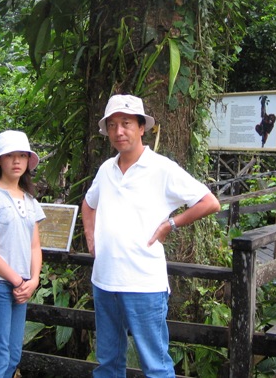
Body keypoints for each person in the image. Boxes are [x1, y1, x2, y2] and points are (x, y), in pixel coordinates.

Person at [82, 94, 221, 377]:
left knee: (155, 366)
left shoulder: (161, 168)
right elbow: (88, 203)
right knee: (107, 363)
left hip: (144, 283)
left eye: (126, 123)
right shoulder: (106, 169)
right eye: (112, 125)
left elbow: (209, 202)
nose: (119, 131)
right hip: (105, 281)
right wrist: (91, 236)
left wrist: (171, 223)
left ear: (141, 127)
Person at [0, 130, 44, 378]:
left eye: (22, 155)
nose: (16, 161)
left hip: (21, 287)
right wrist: (17, 280)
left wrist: (33, 280)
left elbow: (35, 246)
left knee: (13, 356)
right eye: (10, 155)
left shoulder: (31, 200)